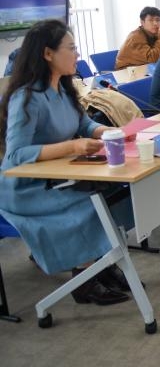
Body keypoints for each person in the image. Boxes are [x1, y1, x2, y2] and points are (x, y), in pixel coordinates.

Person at [0, 20, 135, 306]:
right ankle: (85, 278)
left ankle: (103, 264)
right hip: (25, 186)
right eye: (71, 48)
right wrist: (72, 146)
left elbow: (84, 125)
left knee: (114, 193)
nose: (77, 54)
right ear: (48, 54)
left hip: (57, 175)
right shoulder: (26, 97)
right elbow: (15, 155)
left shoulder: (63, 88)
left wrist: (111, 132)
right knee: (89, 202)